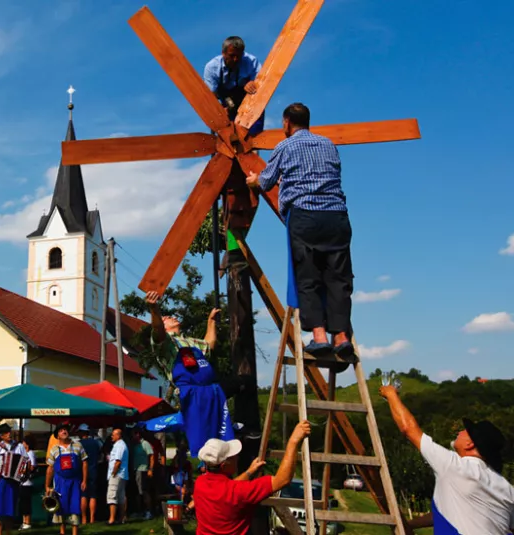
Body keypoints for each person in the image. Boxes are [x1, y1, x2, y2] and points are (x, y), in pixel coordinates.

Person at [246, 102, 357, 360]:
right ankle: (341, 338)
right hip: (336, 216)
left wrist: (253, 181)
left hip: (305, 216)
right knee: (339, 279)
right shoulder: (328, 144)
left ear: (286, 122)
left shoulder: (284, 146)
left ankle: (319, 337)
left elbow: (266, 180)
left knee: (307, 275)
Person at [379, 385, 514, 535]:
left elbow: (409, 429)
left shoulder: (454, 466)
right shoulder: (505, 486)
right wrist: (410, 525)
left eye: (466, 431)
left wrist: (391, 395)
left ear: (470, 444)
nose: (460, 431)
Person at [146, 291, 234, 457]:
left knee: (219, 430)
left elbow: (209, 344)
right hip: (191, 392)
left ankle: (239, 432)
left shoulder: (191, 341)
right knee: (201, 437)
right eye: (168, 317)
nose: (173, 317)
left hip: (212, 390)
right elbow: (157, 328)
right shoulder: (164, 343)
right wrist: (154, 309)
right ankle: (203, 465)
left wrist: (211, 322)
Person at [192, 421, 311, 535]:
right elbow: (282, 479)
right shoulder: (240, 491)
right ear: (224, 465)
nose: (237, 458)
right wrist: (293, 441)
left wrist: (249, 472)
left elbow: (228, 489)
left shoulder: (200, 484)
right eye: (232, 457)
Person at [203, 36, 264, 134]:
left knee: (251, 135)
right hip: (226, 102)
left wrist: (254, 83)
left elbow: (262, 84)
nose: (235, 59)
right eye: (232, 56)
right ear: (223, 53)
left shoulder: (251, 62)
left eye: (239, 56)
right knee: (228, 134)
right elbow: (211, 96)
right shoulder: (212, 67)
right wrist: (219, 111)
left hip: (248, 101)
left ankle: (254, 141)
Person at [0, 423, 28, 535]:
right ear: (1, 435)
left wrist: (23, 474)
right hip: (2, 481)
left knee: (11, 508)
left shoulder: (19, 446)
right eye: (5, 433)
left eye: (9, 432)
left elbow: (25, 462)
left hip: (14, 481)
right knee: (0, 507)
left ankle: (8, 532)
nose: (9, 434)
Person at [45, 424, 87, 535]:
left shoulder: (78, 445)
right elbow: (50, 468)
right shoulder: (54, 450)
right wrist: (47, 485)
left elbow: (84, 463)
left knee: (74, 506)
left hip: (75, 481)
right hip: (60, 482)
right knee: (61, 506)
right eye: (61, 430)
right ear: (57, 435)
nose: (64, 431)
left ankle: (74, 532)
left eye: (65, 430)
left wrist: (84, 480)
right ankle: (62, 532)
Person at [74, 425, 101, 525]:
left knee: (83, 495)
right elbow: (100, 455)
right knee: (93, 495)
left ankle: (84, 518)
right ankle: (92, 518)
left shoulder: (79, 444)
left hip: (82, 472)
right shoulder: (95, 443)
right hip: (94, 470)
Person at [105, 428, 129, 525]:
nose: (112, 436)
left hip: (117, 474)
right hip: (122, 474)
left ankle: (111, 519)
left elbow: (118, 461)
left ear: (118, 435)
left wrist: (113, 473)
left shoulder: (119, 445)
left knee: (112, 496)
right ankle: (121, 518)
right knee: (121, 497)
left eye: (113, 434)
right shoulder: (120, 445)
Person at [131, 431, 156, 520]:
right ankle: (140, 511)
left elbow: (151, 456)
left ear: (138, 434)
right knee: (138, 492)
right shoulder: (135, 445)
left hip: (143, 470)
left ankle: (149, 511)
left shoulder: (145, 443)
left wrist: (150, 469)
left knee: (145, 491)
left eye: (134, 434)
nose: (133, 436)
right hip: (136, 470)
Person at [18, 436, 37, 530]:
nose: (22, 444)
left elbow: (32, 466)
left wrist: (25, 470)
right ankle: (24, 522)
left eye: (23, 442)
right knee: (22, 503)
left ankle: (28, 522)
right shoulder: (23, 454)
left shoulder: (31, 453)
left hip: (27, 482)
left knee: (26, 503)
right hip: (21, 482)